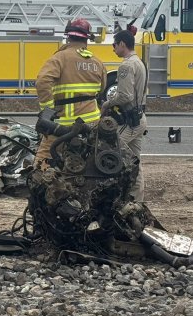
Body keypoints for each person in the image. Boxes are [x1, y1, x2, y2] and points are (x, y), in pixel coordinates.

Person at [34, 18, 107, 168]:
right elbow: (102, 89)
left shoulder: (60, 58)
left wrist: (48, 110)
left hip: (64, 124)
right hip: (92, 124)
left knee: (42, 162)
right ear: (86, 40)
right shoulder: (97, 62)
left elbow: (42, 81)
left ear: (68, 37)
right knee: (91, 163)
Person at [101, 29, 148, 202]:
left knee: (108, 152)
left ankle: (114, 198)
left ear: (122, 44)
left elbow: (125, 96)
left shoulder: (126, 66)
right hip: (139, 118)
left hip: (130, 122)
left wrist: (107, 104)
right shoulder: (139, 62)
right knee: (135, 162)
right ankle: (137, 201)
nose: (113, 49)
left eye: (114, 45)